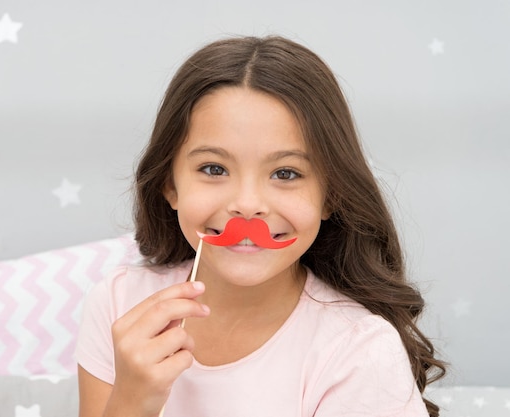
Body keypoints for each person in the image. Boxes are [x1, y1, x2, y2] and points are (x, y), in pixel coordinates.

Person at [75, 35, 446, 417]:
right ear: (170, 186)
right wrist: (132, 401)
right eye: (214, 169)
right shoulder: (119, 303)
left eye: (285, 173)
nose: (248, 206)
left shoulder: (358, 350)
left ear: (331, 195)